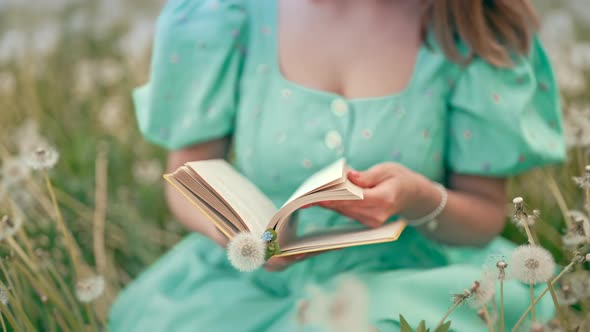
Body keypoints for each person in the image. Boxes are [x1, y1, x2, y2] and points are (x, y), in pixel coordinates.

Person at [109, 0, 566, 330]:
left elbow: (484, 214)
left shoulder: (468, 24)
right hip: (249, 286)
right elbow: (188, 174)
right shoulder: (224, 14)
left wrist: (419, 199)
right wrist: (243, 233)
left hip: (404, 276)